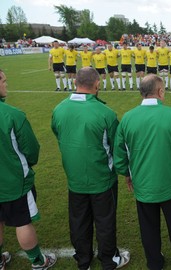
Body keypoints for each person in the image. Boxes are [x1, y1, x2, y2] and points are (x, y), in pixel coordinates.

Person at [113, 74, 171, 270]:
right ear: (160, 92)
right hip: (170, 182)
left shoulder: (127, 118)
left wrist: (126, 173)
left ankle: (155, 262)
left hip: (143, 183)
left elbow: (120, 154)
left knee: (148, 226)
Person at [51, 67, 130, 270]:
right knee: (104, 220)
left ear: (75, 83)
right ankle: (108, 259)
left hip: (75, 177)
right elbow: (116, 147)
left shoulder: (59, 109)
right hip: (102, 178)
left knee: (78, 220)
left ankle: (83, 260)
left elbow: (58, 135)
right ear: (97, 84)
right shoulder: (106, 113)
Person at [0, 69, 57, 270]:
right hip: (14, 181)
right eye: (4, 81)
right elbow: (31, 149)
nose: (6, 85)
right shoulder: (12, 115)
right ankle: (38, 261)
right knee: (22, 220)